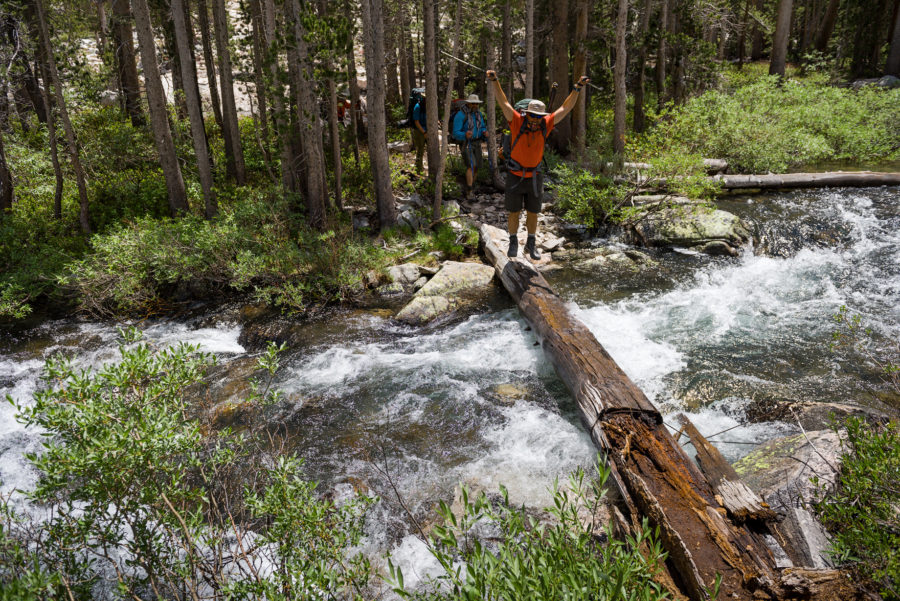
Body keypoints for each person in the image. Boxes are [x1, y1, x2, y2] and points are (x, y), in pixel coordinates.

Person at [486, 70, 590, 259]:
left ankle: (531, 244)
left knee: (533, 212)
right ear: (526, 113)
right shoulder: (516, 121)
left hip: (534, 176)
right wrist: (495, 81)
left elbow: (565, 108)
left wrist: (577, 88)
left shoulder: (545, 123)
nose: (535, 120)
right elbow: (504, 102)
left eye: (538, 116)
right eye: (532, 116)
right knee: (514, 212)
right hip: (515, 175)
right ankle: (513, 241)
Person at [451, 94, 487, 199]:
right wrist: (464, 135)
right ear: (468, 103)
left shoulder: (478, 114)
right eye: (473, 103)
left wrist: (484, 132)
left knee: (477, 167)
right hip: (466, 144)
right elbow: (455, 132)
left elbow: (482, 126)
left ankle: (470, 187)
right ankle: (469, 191)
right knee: (471, 166)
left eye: (477, 103)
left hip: (477, 142)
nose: (475, 105)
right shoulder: (460, 115)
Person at [411, 91, 427, 174]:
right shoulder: (418, 107)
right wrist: (424, 132)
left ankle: (421, 167)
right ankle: (418, 170)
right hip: (419, 131)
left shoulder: (427, 107)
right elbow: (416, 122)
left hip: (426, 130)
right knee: (420, 150)